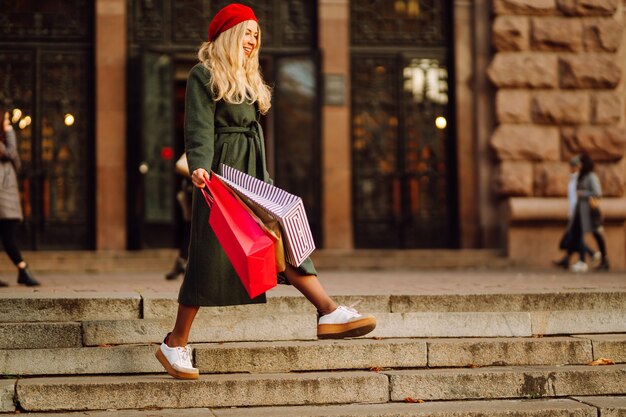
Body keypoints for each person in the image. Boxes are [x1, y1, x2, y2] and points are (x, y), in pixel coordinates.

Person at [155, 4, 376, 380]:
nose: (254, 39)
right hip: (221, 176)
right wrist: (200, 168)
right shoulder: (203, 74)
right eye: (247, 31)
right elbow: (198, 129)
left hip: (252, 172)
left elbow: (252, 134)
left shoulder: (248, 76)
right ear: (228, 35)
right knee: (209, 259)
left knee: (281, 235)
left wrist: (265, 176)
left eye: (257, 33)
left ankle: (327, 310)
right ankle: (175, 343)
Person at [0, 110, 40, 287]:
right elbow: (13, 152)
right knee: (9, 237)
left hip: (6, 198)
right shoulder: (3, 146)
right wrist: (9, 132)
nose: (9, 123)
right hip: (3, 199)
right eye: (7, 120)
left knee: (8, 235)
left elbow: (16, 159)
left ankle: (23, 270)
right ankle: (23, 269)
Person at [552, 155, 598, 270]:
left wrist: (583, 194)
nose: (570, 168)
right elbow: (572, 198)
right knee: (573, 238)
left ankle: (585, 258)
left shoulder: (584, 178)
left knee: (574, 238)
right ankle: (574, 258)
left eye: (572, 166)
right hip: (574, 213)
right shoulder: (574, 179)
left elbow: (595, 193)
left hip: (580, 213)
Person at [570, 152, 609, 273]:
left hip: (590, 211)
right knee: (577, 233)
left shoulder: (591, 176)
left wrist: (584, 193)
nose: (579, 165)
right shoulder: (582, 175)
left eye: (581, 162)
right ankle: (584, 259)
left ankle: (604, 260)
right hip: (581, 211)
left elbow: (597, 193)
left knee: (597, 235)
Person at [164, 154, 193, 280]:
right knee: (190, 228)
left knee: (190, 228)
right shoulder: (195, 147)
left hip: (194, 194)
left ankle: (182, 262)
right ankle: (182, 262)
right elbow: (180, 165)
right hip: (193, 194)